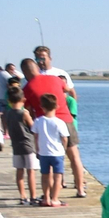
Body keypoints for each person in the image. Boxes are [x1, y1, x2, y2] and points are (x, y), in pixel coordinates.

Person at [32, 46, 86, 196]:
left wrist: (71, 109)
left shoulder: (60, 73)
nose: (40, 61)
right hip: (44, 121)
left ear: (50, 58)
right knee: (48, 156)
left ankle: (80, 188)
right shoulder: (34, 76)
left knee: (73, 154)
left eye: (43, 58)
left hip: (64, 119)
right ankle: (51, 192)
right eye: (37, 58)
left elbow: (71, 92)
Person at [1, 86, 38, 204]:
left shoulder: (8, 113)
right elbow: (33, 127)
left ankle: (22, 196)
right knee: (31, 172)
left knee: (19, 171)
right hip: (28, 145)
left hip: (16, 146)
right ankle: (33, 196)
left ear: (9, 101)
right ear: (23, 99)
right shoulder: (24, 113)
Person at [30, 93, 68, 206]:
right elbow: (64, 138)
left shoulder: (38, 121)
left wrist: (37, 149)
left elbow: (36, 137)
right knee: (58, 176)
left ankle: (46, 198)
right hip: (57, 153)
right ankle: (55, 198)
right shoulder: (60, 122)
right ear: (56, 106)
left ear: (42, 107)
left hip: (43, 152)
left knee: (45, 175)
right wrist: (64, 149)